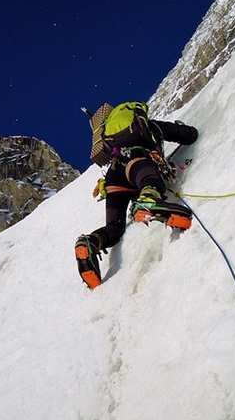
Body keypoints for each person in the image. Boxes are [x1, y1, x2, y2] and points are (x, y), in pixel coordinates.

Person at [75, 103, 198, 289]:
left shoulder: (110, 140)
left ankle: (91, 242)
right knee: (151, 181)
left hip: (114, 176)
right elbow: (190, 135)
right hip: (137, 163)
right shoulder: (150, 126)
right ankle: (148, 199)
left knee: (114, 227)